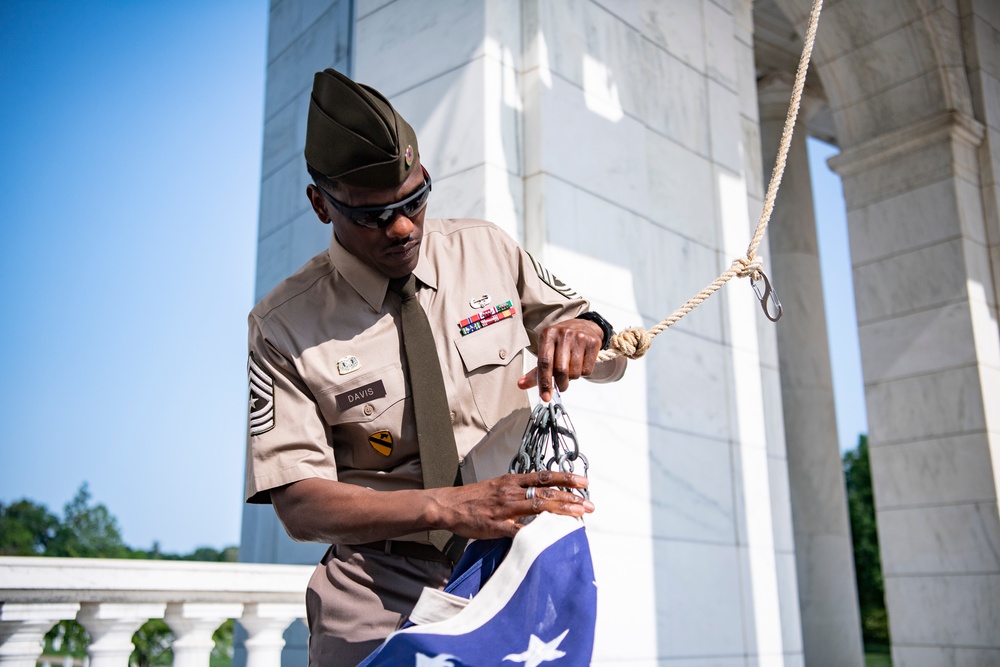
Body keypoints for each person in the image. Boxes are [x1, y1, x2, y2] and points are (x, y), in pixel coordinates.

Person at [244, 68, 625, 666]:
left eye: (414, 202)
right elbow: (299, 502)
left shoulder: (488, 249)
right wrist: (447, 507)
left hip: (512, 571)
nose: (401, 227)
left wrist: (590, 333)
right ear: (320, 204)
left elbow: (601, 346)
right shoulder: (283, 326)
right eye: (372, 215)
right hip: (378, 590)